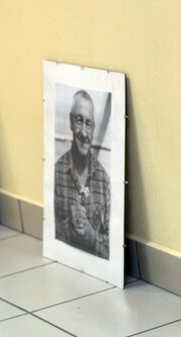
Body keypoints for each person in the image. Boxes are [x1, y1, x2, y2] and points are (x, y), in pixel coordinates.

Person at [54, 90, 110, 259]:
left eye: (89, 124)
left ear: (93, 128)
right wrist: (67, 228)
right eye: (79, 121)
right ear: (71, 122)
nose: (84, 133)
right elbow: (48, 229)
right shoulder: (56, 173)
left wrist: (91, 236)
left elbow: (113, 246)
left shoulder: (104, 181)